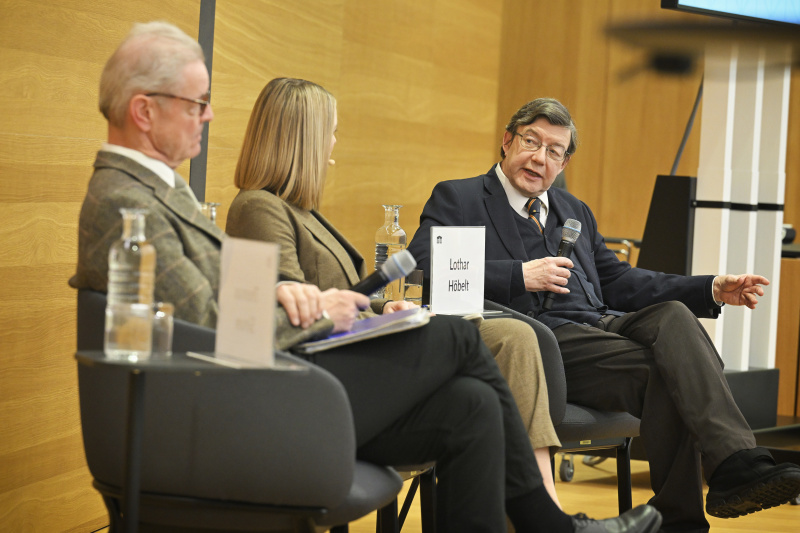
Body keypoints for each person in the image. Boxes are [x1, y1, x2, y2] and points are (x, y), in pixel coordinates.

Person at [70, 26, 661, 533]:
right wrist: (322, 305)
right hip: (269, 394)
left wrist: (284, 290)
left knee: (473, 402)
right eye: (196, 102)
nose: (209, 114)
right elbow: (220, 327)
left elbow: (216, 302)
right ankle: (549, 525)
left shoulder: (158, 194)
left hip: (280, 378)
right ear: (145, 110)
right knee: (457, 338)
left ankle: (545, 523)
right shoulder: (130, 203)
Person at [407, 97, 800, 532]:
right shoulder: (460, 197)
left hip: (602, 326)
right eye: (530, 141)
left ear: (564, 163)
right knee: (669, 377)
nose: (539, 157)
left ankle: (734, 464)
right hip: (541, 343)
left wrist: (710, 288)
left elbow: (622, 282)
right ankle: (692, 514)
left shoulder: (574, 211)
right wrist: (520, 276)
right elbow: (425, 266)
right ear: (506, 141)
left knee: (672, 314)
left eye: (554, 151)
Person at [225, 76, 565, 508]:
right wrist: (378, 318)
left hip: (366, 345)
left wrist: (389, 306)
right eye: (330, 132)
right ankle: (541, 507)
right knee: (491, 341)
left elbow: (344, 292)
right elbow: (296, 309)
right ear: (305, 140)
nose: (333, 144)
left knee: (503, 356)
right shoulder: (257, 207)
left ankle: (536, 504)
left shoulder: (299, 211)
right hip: (332, 371)